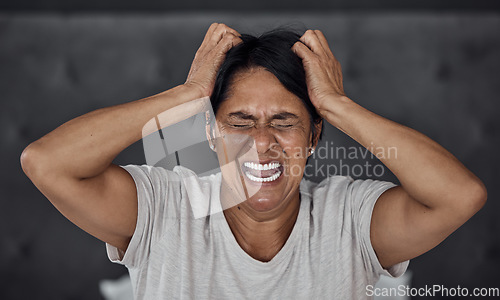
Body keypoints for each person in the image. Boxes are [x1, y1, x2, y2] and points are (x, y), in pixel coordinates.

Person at [20, 23, 487, 299]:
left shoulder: (350, 216)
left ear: (313, 136)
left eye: (285, 121)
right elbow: (46, 162)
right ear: (209, 132)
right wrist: (187, 95)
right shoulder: (166, 205)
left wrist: (338, 105)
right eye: (239, 122)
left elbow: (459, 196)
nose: (261, 143)